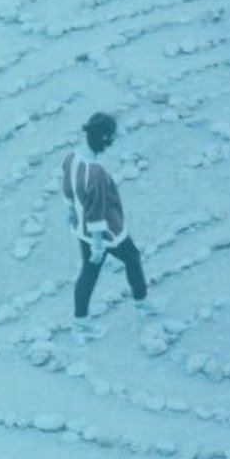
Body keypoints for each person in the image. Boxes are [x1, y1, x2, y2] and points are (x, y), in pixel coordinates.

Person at [61, 112, 152, 336]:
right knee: (131, 257)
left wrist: (71, 212)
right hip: (106, 233)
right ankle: (141, 303)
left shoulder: (71, 157)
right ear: (103, 139)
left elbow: (67, 189)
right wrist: (99, 245)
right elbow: (97, 210)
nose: (113, 141)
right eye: (111, 137)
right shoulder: (96, 173)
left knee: (89, 272)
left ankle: (81, 320)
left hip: (81, 229)